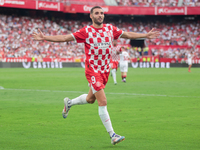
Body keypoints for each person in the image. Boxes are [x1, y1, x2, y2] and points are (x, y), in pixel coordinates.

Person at [32, 6, 159, 145]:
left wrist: (145, 35)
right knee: (102, 101)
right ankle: (113, 135)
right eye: (97, 13)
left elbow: (127, 34)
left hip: (104, 70)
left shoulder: (110, 29)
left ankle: (69, 103)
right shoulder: (86, 31)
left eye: (102, 13)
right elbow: (64, 37)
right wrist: (45, 38)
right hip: (93, 70)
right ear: (91, 16)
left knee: (90, 99)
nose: (100, 15)